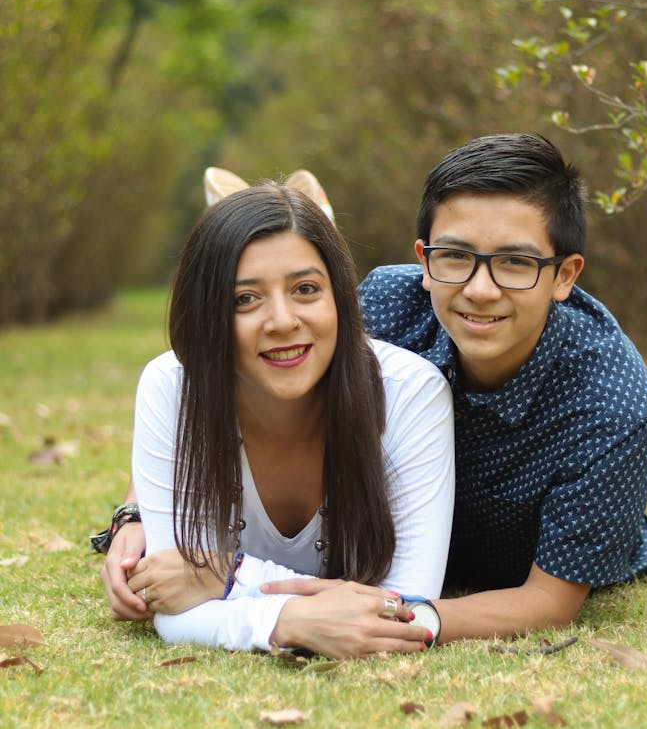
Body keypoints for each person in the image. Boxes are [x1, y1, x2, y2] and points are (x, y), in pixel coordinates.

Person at [100, 133, 647, 647]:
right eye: (456, 256)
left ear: (565, 274)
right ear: (423, 259)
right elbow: (229, 372)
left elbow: (548, 601)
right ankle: (276, 217)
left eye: (515, 263)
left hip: (479, 570)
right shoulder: (389, 304)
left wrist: (235, 577)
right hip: (381, 536)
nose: (480, 289)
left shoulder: (613, 405)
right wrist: (140, 514)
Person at [97, 181, 455, 658]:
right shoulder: (172, 387)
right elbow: (175, 601)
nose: (282, 321)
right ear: (206, 315)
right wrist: (285, 622)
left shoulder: (412, 392)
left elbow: (406, 605)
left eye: (305, 289)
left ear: (341, 299)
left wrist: (229, 576)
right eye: (245, 299)